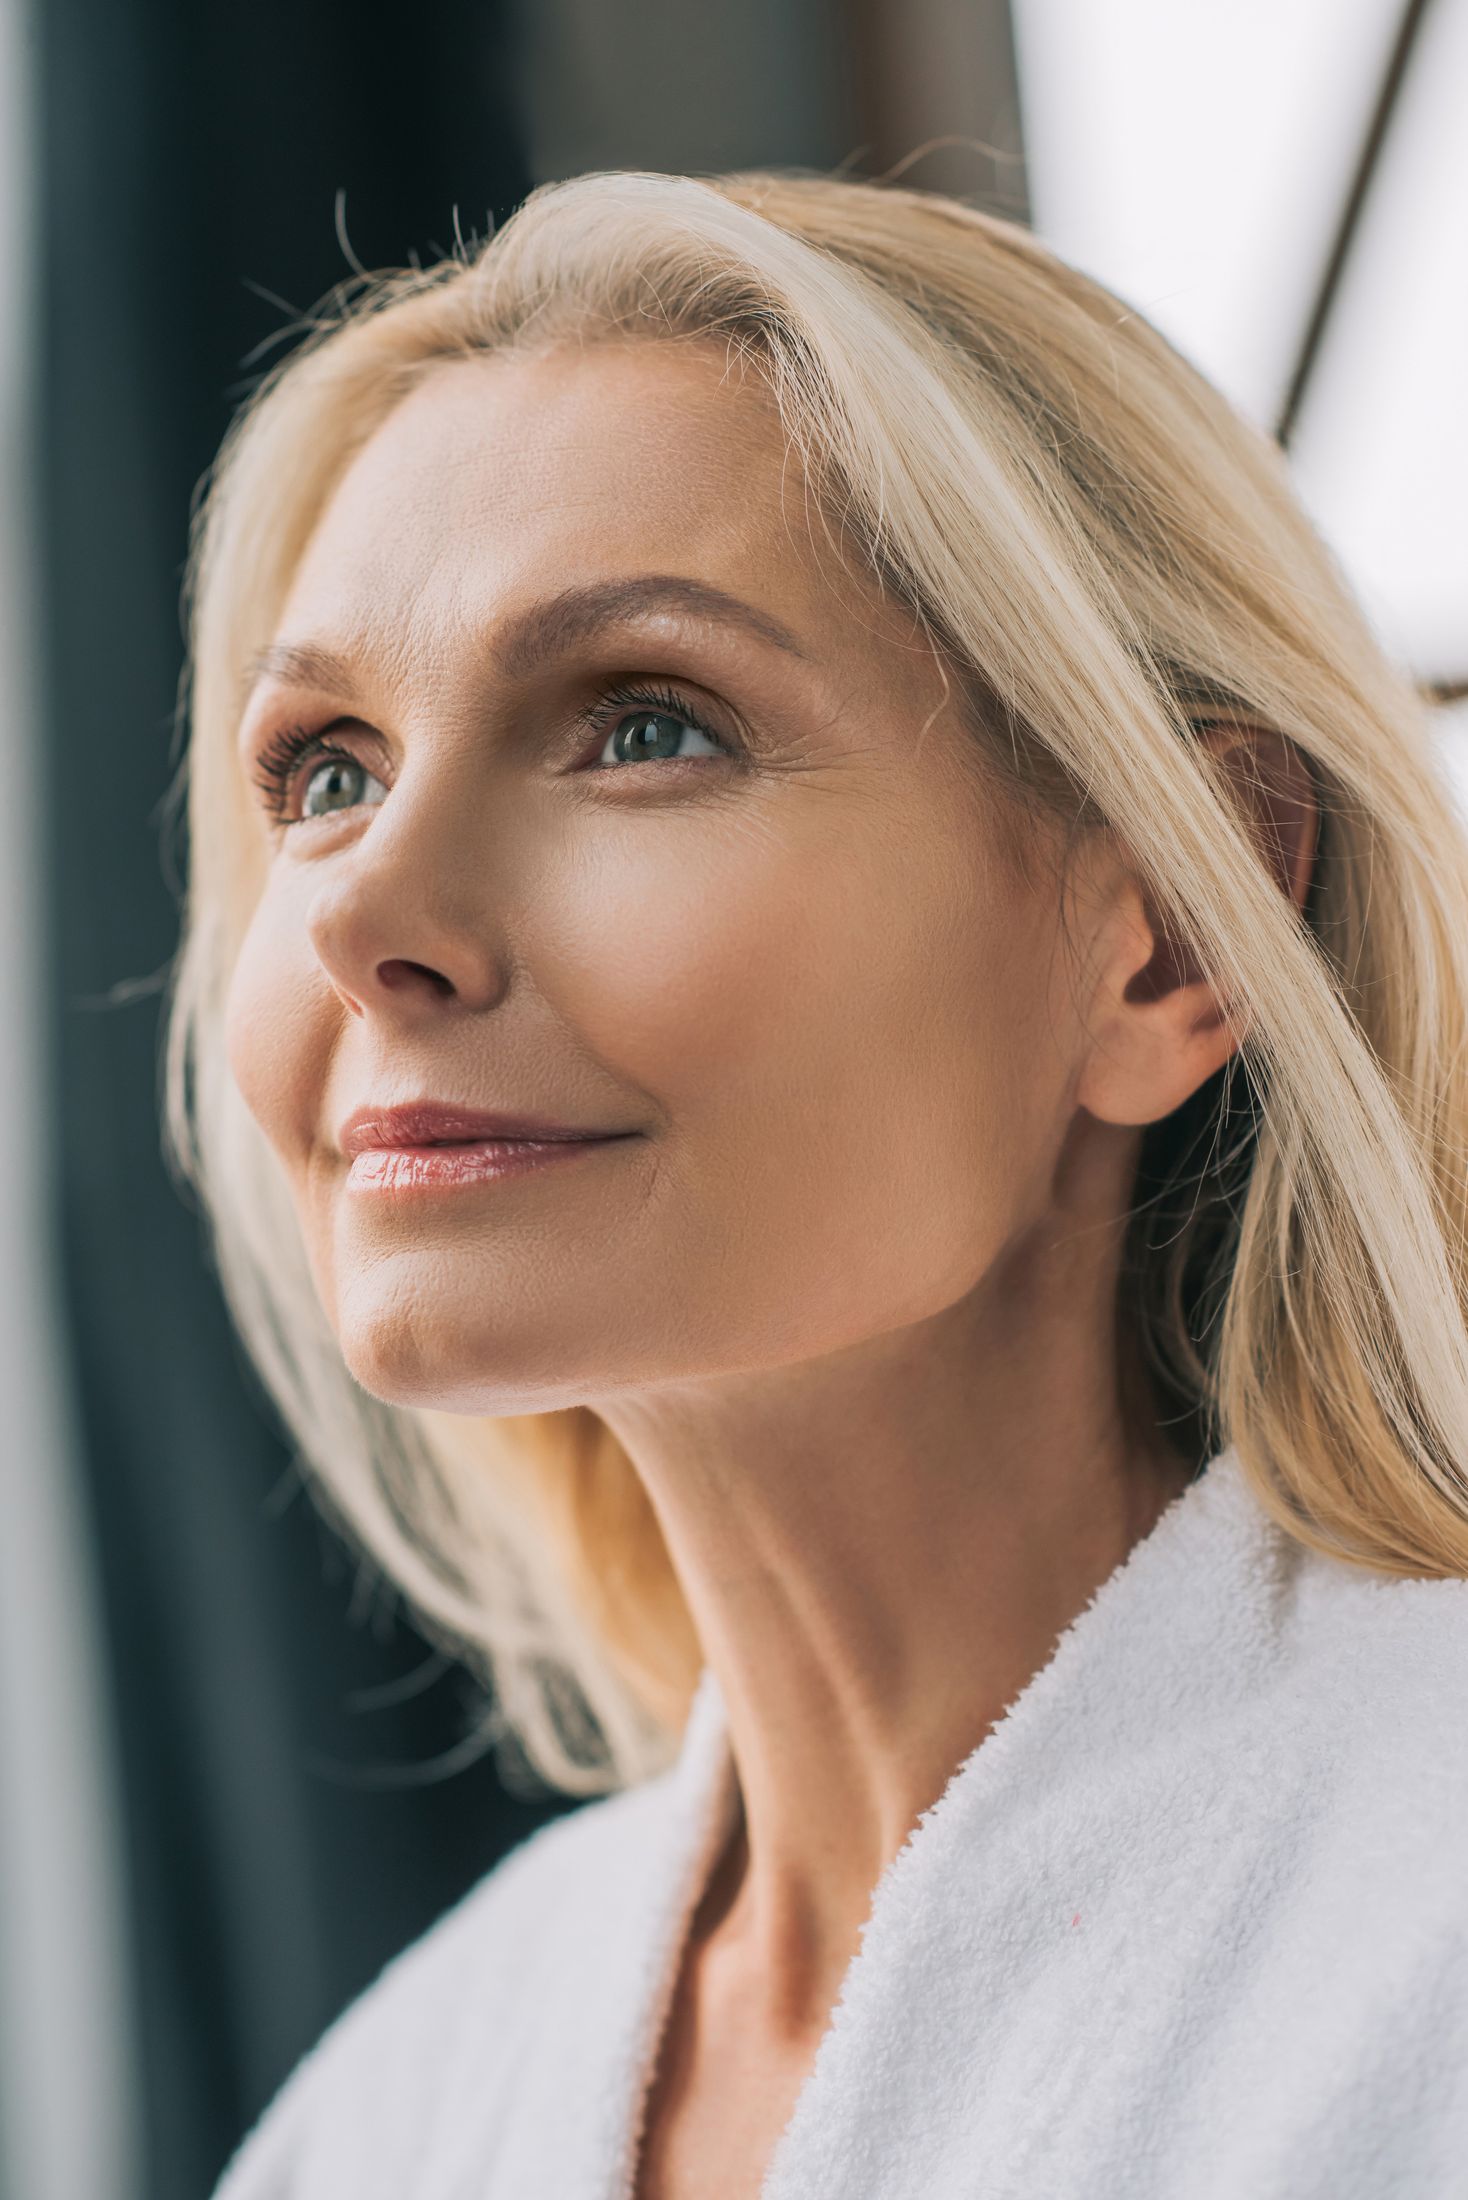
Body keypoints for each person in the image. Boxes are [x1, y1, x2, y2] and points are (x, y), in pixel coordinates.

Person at [171, 167, 1468, 2199]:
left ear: (1165, 935)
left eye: (642, 725)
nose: (367, 913)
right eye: (325, 767)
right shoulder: (400, 2108)